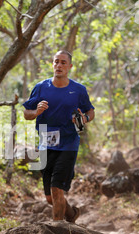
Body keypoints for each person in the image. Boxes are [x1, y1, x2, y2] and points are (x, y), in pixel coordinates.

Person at [23, 50, 95, 223]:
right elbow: (26, 113)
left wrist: (84, 118)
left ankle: (58, 230)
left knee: (57, 188)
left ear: (70, 66)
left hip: (68, 144)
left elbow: (90, 111)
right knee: (50, 197)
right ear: (52, 64)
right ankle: (70, 214)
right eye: (56, 62)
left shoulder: (78, 90)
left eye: (63, 62)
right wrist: (36, 111)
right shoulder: (41, 87)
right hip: (46, 145)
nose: (59, 65)